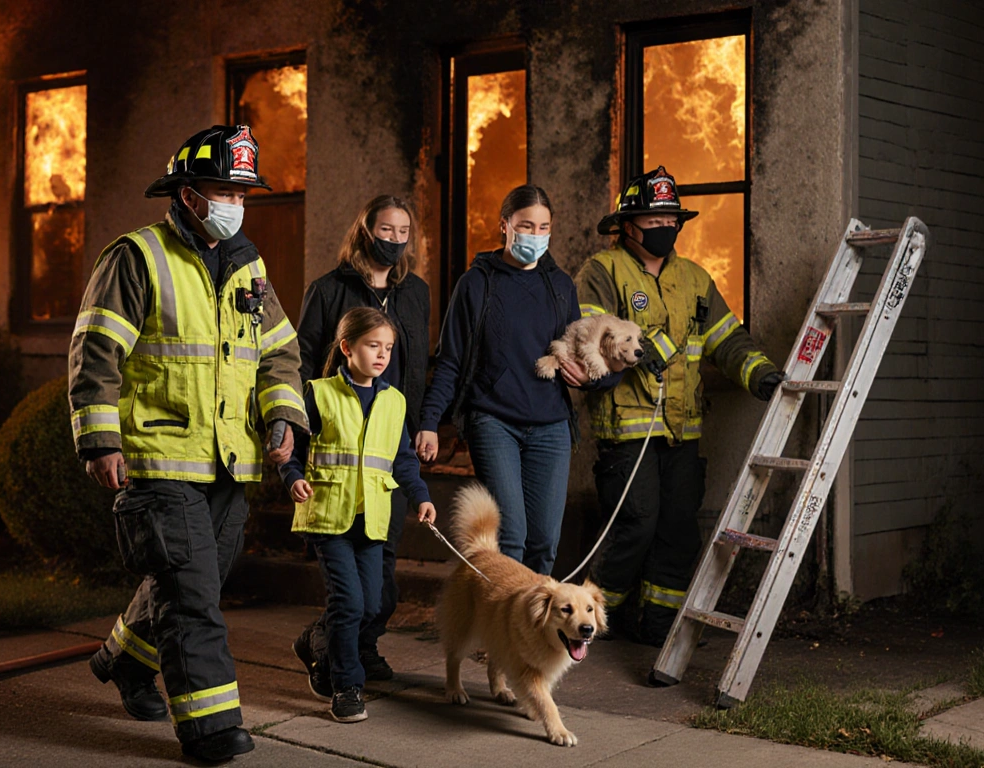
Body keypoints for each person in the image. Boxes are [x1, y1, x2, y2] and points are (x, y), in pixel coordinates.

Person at [68, 124, 308, 763]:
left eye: (243, 191)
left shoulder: (248, 264)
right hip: (157, 458)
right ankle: (209, 727)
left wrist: (282, 417)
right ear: (188, 192)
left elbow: (279, 350)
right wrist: (99, 440)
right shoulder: (136, 257)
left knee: (186, 582)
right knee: (194, 595)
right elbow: (97, 351)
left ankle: (123, 658)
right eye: (223, 189)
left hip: (230, 462)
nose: (236, 201)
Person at [574, 165, 786, 647]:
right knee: (637, 523)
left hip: (682, 431)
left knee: (678, 530)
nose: (664, 227)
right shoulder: (601, 271)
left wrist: (762, 375)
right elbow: (595, 334)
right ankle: (599, 620)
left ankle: (659, 624)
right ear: (627, 224)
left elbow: (726, 339)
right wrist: (646, 348)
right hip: (628, 429)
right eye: (653, 218)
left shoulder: (694, 277)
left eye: (671, 218)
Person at [416, 184, 617, 576]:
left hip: (552, 426)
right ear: (505, 226)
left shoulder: (560, 286)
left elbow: (580, 349)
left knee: (544, 539)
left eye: (544, 227)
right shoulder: (475, 284)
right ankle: (503, 633)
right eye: (527, 225)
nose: (536, 235)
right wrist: (429, 422)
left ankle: (531, 632)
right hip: (494, 422)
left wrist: (591, 380)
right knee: (512, 535)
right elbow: (451, 361)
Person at [291, 195, 430, 689]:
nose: (394, 239)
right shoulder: (328, 290)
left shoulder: (414, 293)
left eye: (402, 231)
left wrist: (424, 425)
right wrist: (293, 432)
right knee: (354, 589)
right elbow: (302, 359)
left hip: (390, 444)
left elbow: (417, 370)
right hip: (337, 447)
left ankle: (347, 643)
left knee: (382, 584)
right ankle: (348, 656)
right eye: (385, 229)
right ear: (365, 229)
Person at [279, 307, 436, 723]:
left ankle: (317, 642)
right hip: (328, 518)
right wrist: (291, 476)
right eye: (373, 346)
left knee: (371, 605)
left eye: (387, 348)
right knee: (349, 602)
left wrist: (420, 496)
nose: (382, 355)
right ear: (347, 347)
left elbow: (402, 459)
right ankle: (348, 687)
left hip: (373, 519)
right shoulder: (318, 393)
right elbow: (291, 449)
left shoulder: (394, 401)